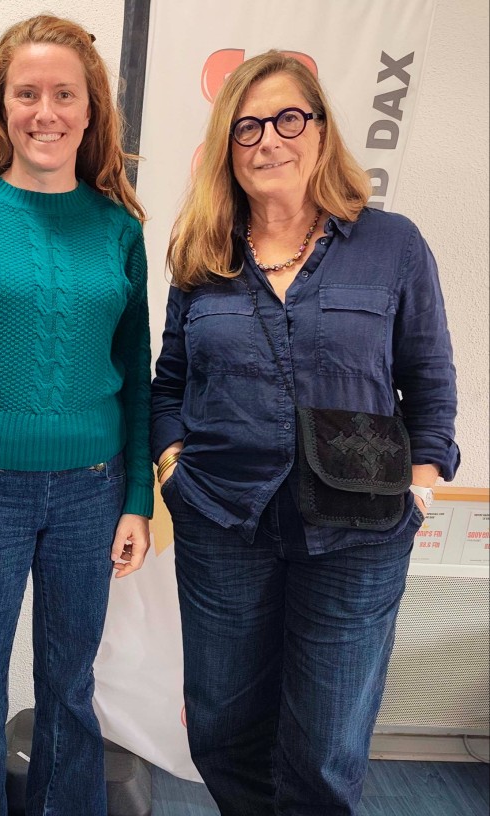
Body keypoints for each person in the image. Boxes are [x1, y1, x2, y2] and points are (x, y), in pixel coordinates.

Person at [151, 51, 458, 816]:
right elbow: (168, 383)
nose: (268, 140)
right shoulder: (201, 254)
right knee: (222, 729)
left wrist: (421, 486)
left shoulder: (391, 244)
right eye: (246, 127)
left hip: (359, 530)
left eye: (288, 119)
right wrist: (171, 465)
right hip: (223, 521)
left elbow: (428, 380)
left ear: (320, 130)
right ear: (227, 147)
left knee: (323, 746)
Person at [0, 14, 153, 816]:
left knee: (70, 688)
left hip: (92, 489)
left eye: (63, 95)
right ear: (1, 105)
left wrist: (137, 497)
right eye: (26, 94)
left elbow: (137, 375)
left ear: (90, 109)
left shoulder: (117, 227)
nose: (45, 112)